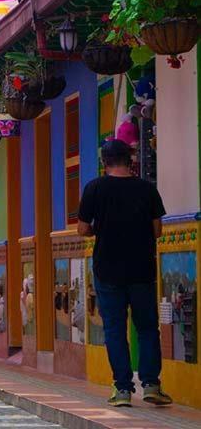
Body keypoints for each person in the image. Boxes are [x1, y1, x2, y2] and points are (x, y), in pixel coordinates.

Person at [77, 139, 171, 408]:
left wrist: (101, 229)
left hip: (107, 271)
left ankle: (122, 390)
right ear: (130, 160)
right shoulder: (146, 189)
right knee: (147, 329)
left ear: (104, 162)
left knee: (115, 330)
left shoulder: (94, 188)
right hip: (142, 269)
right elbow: (157, 231)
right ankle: (152, 385)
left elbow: (83, 229)